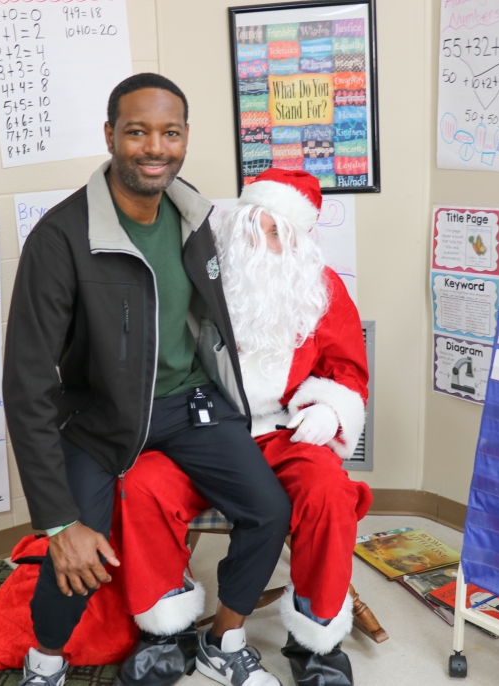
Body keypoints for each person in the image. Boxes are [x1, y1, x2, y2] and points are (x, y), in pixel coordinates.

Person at [2, 73, 290, 686]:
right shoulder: (59, 239)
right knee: (78, 549)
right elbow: (26, 383)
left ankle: (224, 640)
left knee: (267, 510)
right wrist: (56, 520)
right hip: (100, 419)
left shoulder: (195, 217)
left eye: (169, 132)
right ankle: (45, 660)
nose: (154, 147)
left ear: (184, 138)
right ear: (110, 136)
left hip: (189, 405)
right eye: (137, 132)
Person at [117, 169, 373, 686]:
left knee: (327, 494)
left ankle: (315, 639)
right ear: (237, 226)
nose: (266, 241)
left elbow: (347, 370)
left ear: (301, 240)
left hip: (285, 432)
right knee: (142, 485)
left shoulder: (321, 291)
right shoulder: (201, 279)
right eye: (257, 226)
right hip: (201, 427)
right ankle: (166, 630)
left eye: (280, 231)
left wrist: (329, 408)